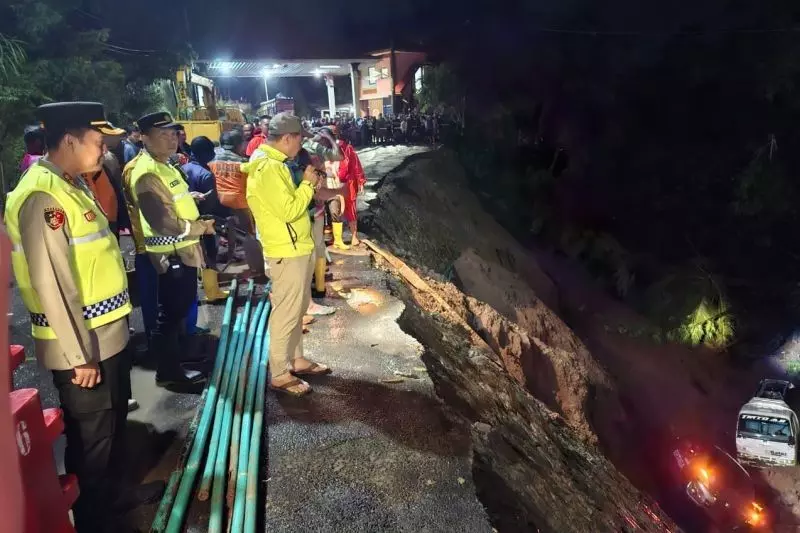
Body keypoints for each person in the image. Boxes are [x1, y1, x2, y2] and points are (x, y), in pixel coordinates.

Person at [5, 102, 162, 532]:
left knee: (111, 425)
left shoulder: (71, 184)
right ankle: (96, 518)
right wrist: (79, 356)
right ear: (70, 140)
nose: (104, 150)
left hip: (107, 335)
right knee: (92, 438)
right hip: (83, 345)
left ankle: (117, 495)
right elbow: (53, 283)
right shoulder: (42, 196)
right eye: (97, 142)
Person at [246, 113, 332, 397]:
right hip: (286, 249)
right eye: (299, 139)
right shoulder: (268, 168)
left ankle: (296, 359)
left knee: (297, 308)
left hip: (296, 246)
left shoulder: (277, 164)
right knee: (286, 312)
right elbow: (289, 210)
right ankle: (280, 373)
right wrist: (307, 184)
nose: (300, 145)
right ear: (287, 138)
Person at [126, 111, 214, 387]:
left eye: (173, 133)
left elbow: (174, 202)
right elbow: (163, 222)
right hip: (171, 256)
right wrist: (201, 227)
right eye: (162, 134)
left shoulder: (165, 165)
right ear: (144, 138)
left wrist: (192, 204)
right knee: (171, 316)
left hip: (183, 252)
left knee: (177, 311)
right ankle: (169, 373)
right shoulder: (146, 173)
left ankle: (175, 363)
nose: (171, 139)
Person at [182, 136, 229, 302]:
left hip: (185, 220)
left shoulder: (182, 169)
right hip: (204, 221)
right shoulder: (206, 174)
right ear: (206, 153)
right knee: (209, 254)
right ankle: (212, 292)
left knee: (193, 254)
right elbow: (211, 204)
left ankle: (202, 283)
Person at [210, 129, 251, 234]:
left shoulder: (212, 161)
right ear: (239, 145)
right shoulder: (244, 162)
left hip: (220, 200)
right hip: (240, 202)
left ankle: (231, 245)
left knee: (230, 230)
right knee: (249, 232)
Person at [334, 129, 367, 247]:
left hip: (347, 183)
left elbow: (355, 165)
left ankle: (352, 236)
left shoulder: (347, 149)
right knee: (336, 209)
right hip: (334, 183)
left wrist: (360, 181)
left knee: (349, 210)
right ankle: (338, 238)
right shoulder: (325, 150)